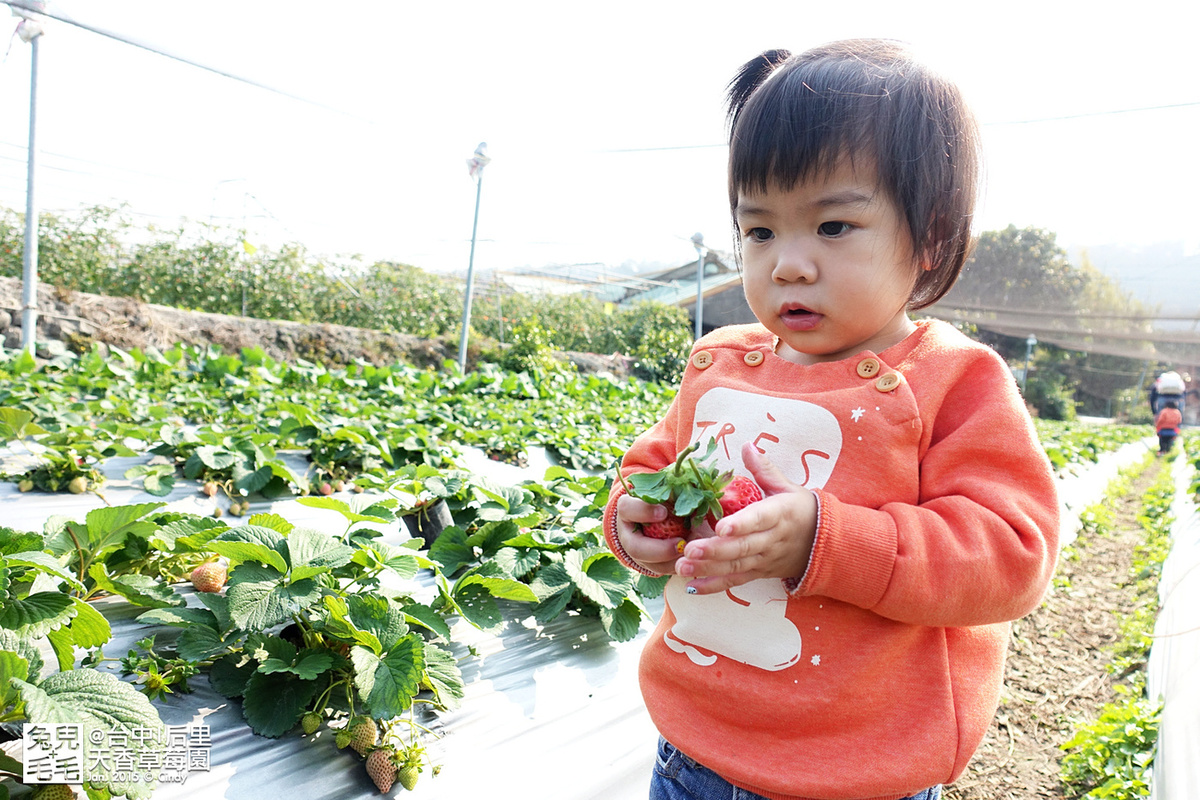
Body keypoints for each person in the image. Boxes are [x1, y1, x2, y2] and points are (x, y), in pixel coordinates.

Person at [604, 39, 1060, 800]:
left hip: (861, 771)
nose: (788, 263)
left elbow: (1012, 554)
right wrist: (635, 522)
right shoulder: (719, 363)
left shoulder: (952, 381)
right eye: (760, 231)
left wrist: (827, 539)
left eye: (833, 227)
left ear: (932, 237)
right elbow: (647, 472)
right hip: (693, 753)